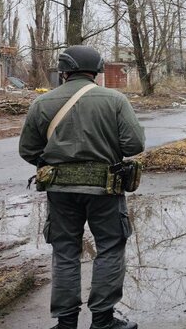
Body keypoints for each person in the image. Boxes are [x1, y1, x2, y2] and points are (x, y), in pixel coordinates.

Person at [18, 45, 145, 329]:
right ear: (97, 71)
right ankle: (102, 320)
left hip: (60, 192)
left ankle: (66, 323)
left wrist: (54, 163)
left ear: (63, 72)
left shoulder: (43, 103)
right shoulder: (114, 100)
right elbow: (134, 144)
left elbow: (28, 150)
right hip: (105, 190)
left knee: (64, 252)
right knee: (110, 248)